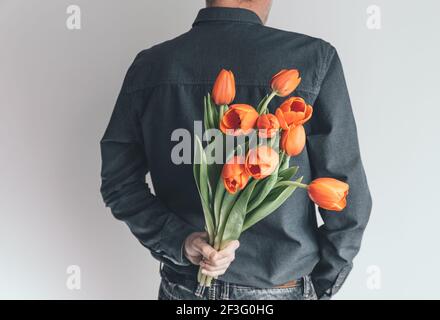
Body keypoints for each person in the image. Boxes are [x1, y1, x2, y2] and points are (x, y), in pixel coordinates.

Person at [100, 0, 372, 300]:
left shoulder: (151, 66)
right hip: (280, 287)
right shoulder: (311, 58)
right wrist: (318, 286)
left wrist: (180, 241)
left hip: (185, 288)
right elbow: (348, 202)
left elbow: (119, 184)